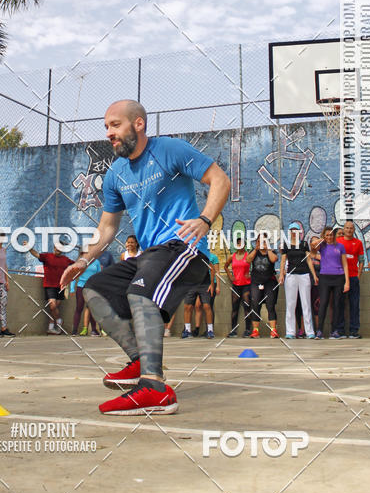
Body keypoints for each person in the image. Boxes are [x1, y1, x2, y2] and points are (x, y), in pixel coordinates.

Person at [60, 99, 230, 415]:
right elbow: (107, 227)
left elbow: (219, 179)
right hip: (150, 256)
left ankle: (154, 388)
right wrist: (83, 261)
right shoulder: (116, 174)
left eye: (115, 124)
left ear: (138, 124)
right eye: (106, 127)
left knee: (143, 290)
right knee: (96, 289)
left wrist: (205, 219)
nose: (109, 133)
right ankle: (140, 361)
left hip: (184, 249)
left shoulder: (169, 150)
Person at [27, 242, 73, 334]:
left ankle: (51, 327)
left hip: (61, 286)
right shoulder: (47, 256)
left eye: (60, 248)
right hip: (49, 285)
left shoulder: (65, 260)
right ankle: (59, 321)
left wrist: (82, 255)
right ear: (54, 247)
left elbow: (76, 265)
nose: (57, 249)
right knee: (52, 305)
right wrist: (29, 247)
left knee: (53, 309)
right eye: (56, 247)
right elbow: (36, 254)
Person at [280, 223, 316, 339]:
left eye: (296, 230)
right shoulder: (286, 245)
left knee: (306, 303)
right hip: (291, 275)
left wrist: (314, 275)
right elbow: (283, 260)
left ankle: (309, 331)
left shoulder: (304, 244)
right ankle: (290, 331)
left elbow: (309, 260)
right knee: (291, 304)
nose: (294, 232)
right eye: (292, 230)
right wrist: (281, 275)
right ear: (289, 232)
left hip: (304, 275)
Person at [315, 227, 349, 339]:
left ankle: (334, 330)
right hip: (325, 277)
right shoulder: (322, 246)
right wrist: (322, 239)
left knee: (336, 304)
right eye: (327, 235)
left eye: (331, 235)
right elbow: (312, 248)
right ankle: (319, 330)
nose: (329, 237)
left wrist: (347, 281)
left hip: (338, 277)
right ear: (324, 236)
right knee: (323, 303)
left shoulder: (340, 246)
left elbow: (345, 264)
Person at [336, 220, 365, 338]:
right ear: (343, 229)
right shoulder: (338, 241)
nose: (349, 230)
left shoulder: (358, 243)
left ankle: (354, 330)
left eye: (351, 228)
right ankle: (340, 330)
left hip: (353, 277)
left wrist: (359, 275)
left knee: (354, 304)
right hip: (340, 277)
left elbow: (361, 260)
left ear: (354, 230)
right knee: (340, 304)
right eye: (347, 228)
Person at [246, 234, 279, 338]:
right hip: (256, 282)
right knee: (255, 304)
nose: (262, 243)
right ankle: (255, 330)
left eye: (264, 241)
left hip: (269, 281)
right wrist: (256, 249)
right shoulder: (254, 251)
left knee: (270, 304)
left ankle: (273, 330)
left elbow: (274, 259)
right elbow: (248, 260)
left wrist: (268, 248)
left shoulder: (271, 251)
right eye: (259, 241)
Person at [224, 240, 252, 337]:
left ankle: (248, 330)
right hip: (236, 285)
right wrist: (230, 276)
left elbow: (256, 265)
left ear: (244, 245)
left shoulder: (248, 256)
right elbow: (226, 266)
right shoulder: (232, 256)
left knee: (247, 307)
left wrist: (251, 274)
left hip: (246, 285)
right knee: (234, 308)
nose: (240, 245)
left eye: (241, 243)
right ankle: (233, 331)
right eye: (238, 243)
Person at [70, 258, 101, 335]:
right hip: (81, 287)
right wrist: (72, 288)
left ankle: (94, 330)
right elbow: (74, 275)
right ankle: (74, 331)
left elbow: (99, 276)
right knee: (79, 308)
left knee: (92, 308)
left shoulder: (96, 262)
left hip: (92, 287)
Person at [308, 235, 322, 331]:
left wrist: (316, 256)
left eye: (317, 243)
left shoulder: (322, 256)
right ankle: (305, 330)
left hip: (319, 284)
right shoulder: (306, 255)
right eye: (313, 242)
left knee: (317, 307)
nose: (315, 245)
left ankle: (318, 330)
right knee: (306, 307)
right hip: (307, 284)